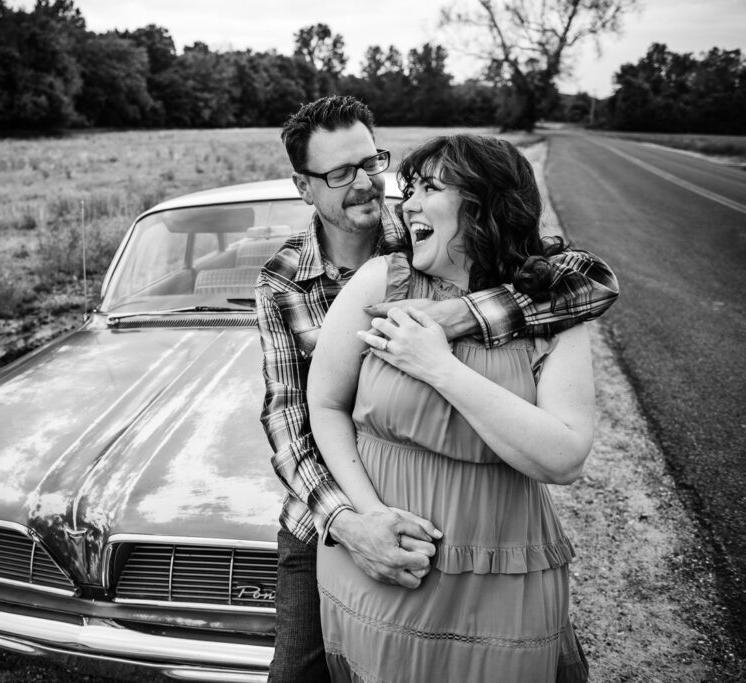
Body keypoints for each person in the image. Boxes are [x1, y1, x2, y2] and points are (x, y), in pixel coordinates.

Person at [255, 96, 617, 683]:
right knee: (297, 673)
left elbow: (588, 283)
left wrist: (454, 318)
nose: (368, 184)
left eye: (373, 163)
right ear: (304, 187)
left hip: (488, 538)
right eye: (341, 173)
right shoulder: (284, 279)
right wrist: (354, 522)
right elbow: (293, 417)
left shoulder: (424, 233)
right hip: (332, 511)